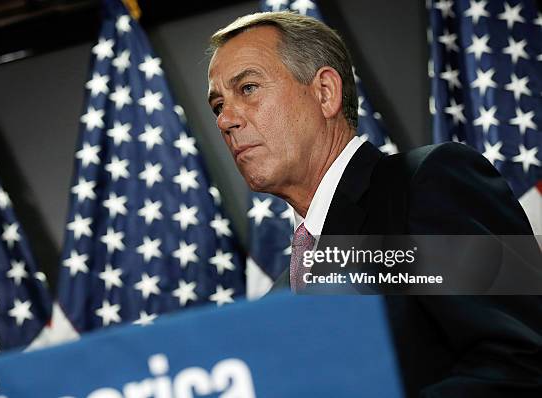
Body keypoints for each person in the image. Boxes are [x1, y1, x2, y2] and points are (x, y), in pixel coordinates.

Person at [206, 11, 542, 398]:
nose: (225, 120)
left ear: (325, 92)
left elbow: (523, 358)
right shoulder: (281, 296)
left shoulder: (424, 185)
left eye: (247, 88)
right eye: (217, 106)